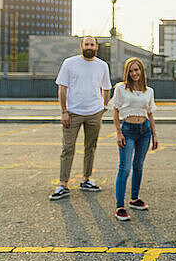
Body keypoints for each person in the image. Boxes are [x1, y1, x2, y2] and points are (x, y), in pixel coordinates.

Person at [50, 36, 112, 200]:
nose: (89, 47)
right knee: (68, 148)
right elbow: (62, 89)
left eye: (92, 44)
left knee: (90, 147)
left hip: (94, 113)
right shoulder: (69, 63)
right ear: (81, 46)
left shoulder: (102, 65)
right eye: (87, 44)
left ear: (96, 47)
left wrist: (103, 107)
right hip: (73, 113)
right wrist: (64, 111)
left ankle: (86, 180)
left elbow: (107, 88)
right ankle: (63, 184)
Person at [111, 57, 158, 221]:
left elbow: (150, 113)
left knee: (138, 165)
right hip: (128, 130)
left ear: (141, 71)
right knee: (125, 168)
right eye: (131, 71)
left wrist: (154, 134)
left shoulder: (149, 91)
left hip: (144, 130)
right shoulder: (121, 88)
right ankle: (120, 206)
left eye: (136, 70)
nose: (134, 73)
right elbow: (115, 111)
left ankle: (134, 198)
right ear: (127, 73)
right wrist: (118, 132)